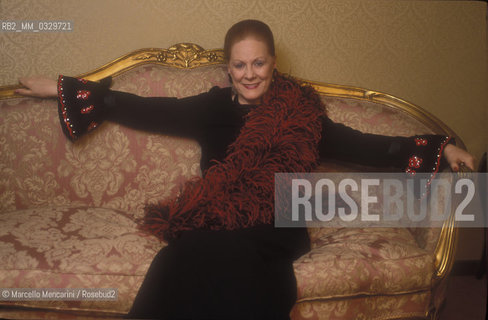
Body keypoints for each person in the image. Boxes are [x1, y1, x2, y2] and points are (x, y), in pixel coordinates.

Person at [16, 19, 474, 320]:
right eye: (240, 65)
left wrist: (445, 148)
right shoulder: (209, 108)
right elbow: (141, 106)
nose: (250, 73)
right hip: (216, 219)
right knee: (176, 259)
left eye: (259, 63)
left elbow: (372, 146)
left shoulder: (302, 115)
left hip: (275, 225)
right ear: (228, 68)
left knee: (237, 265)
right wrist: (63, 87)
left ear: (273, 63)